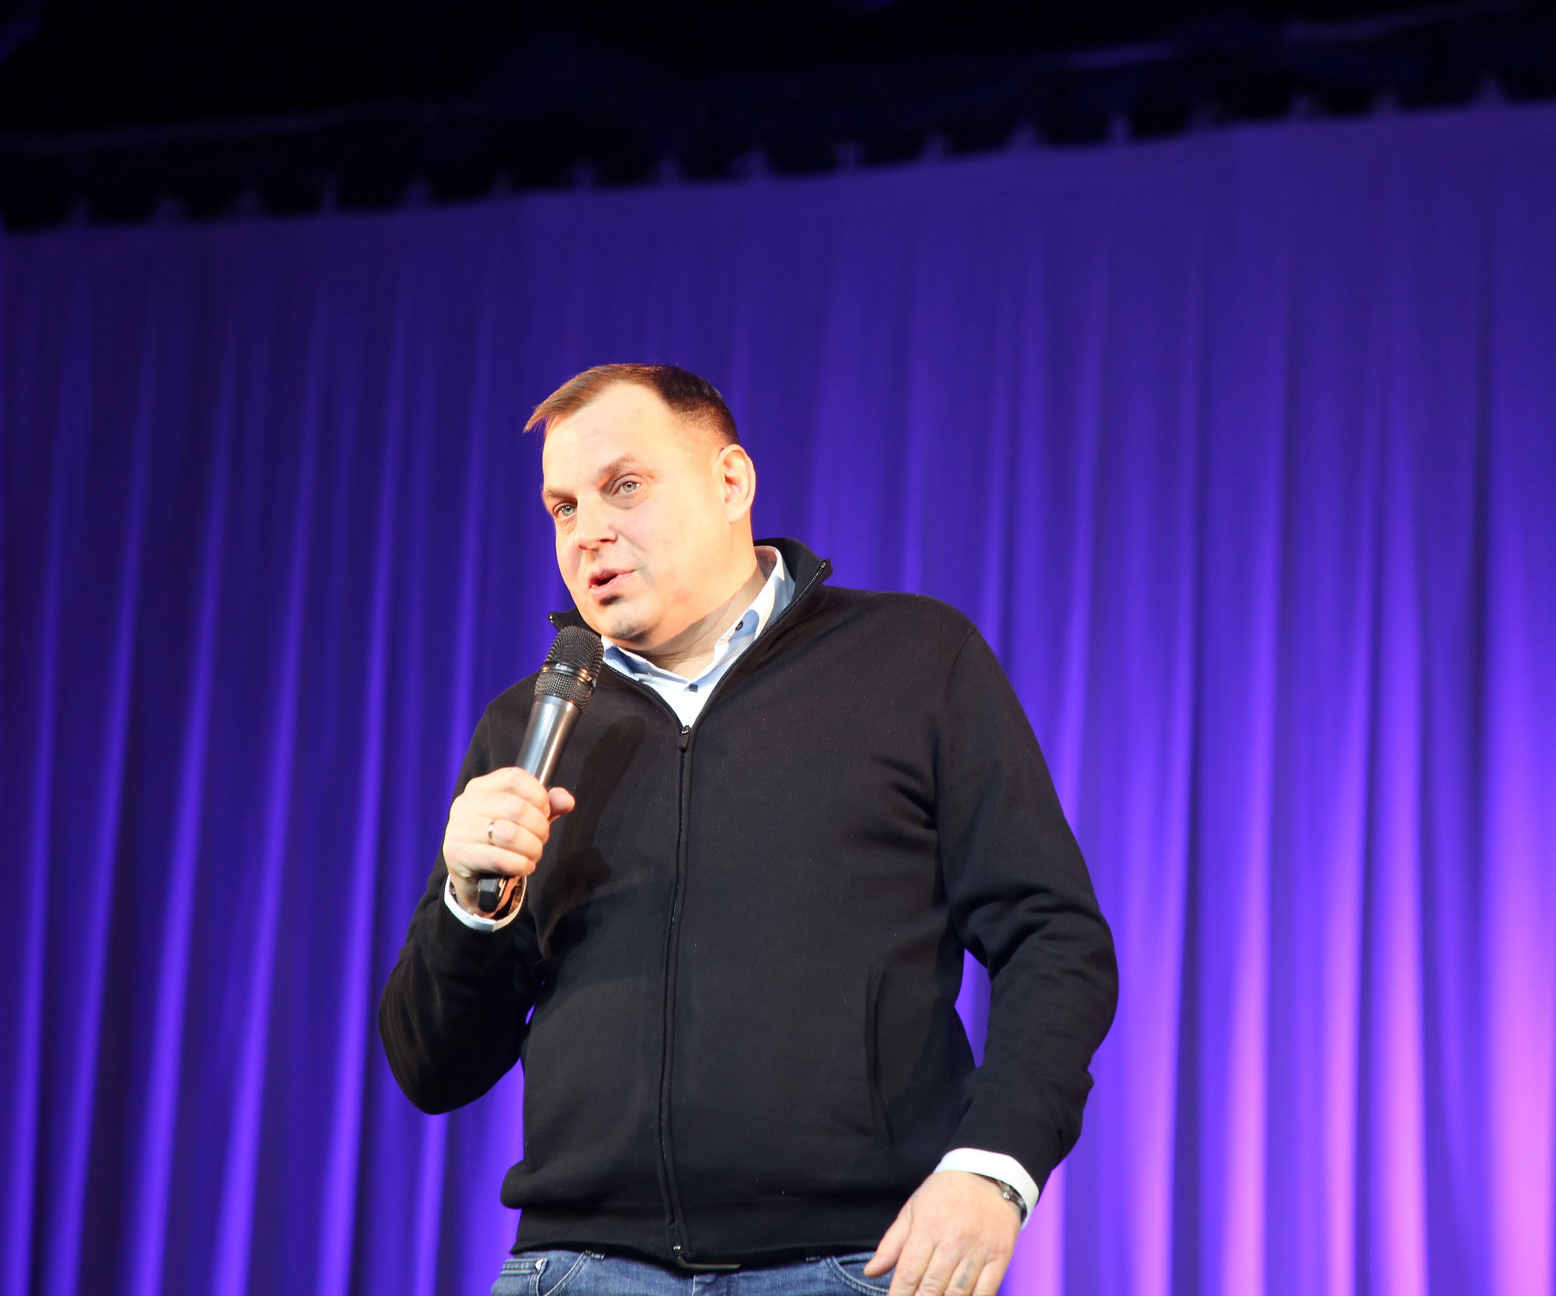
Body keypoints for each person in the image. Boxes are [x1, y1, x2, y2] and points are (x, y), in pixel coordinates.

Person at [380, 364, 1118, 1296]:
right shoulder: (531, 726)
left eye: (624, 486)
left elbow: (1054, 940)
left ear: (731, 481)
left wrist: (993, 1166)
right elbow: (433, 1068)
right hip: (579, 1268)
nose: (586, 530)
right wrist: (470, 906)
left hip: (854, 1264)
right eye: (562, 507)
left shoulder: (913, 660)